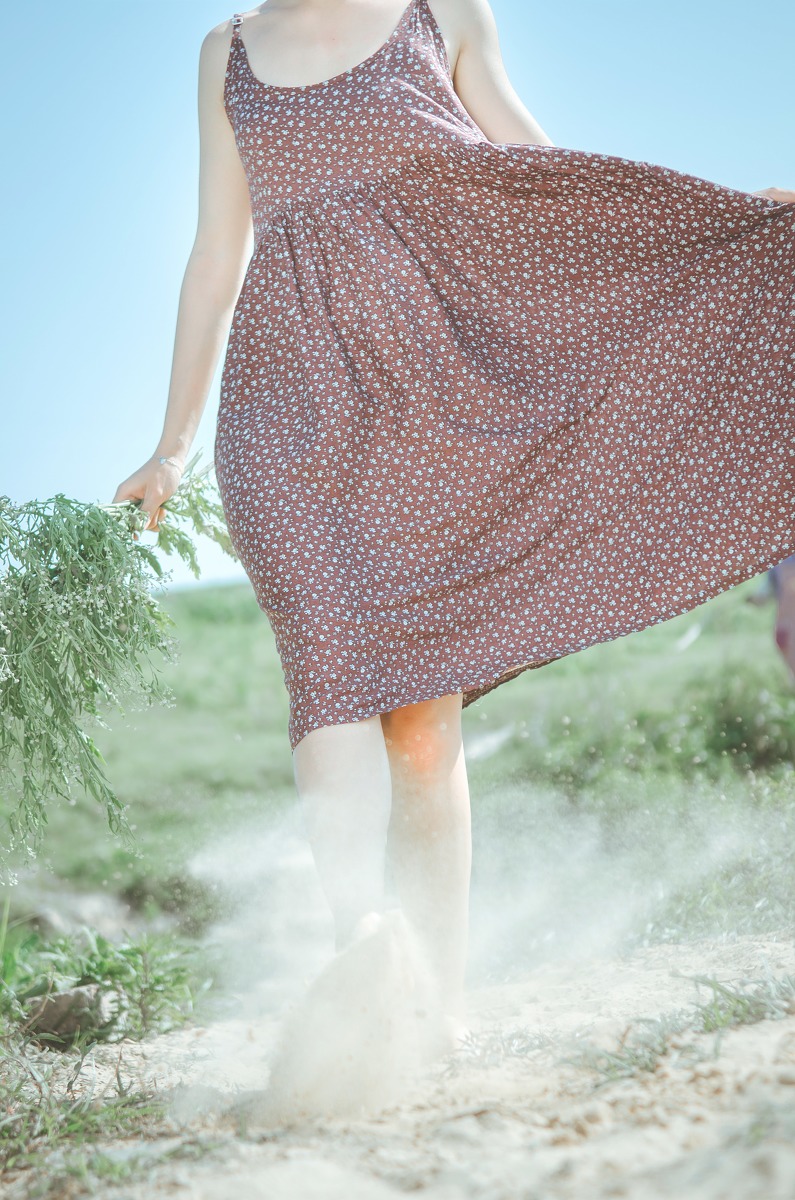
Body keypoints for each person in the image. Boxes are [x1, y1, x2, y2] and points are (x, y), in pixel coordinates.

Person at [113, 0, 795, 1038]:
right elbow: (217, 256)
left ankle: (439, 1002)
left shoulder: (441, 14)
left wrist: (707, 224)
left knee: (422, 729)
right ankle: (366, 966)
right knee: (331, 669)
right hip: (288, 409)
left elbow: (545, 174)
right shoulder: (226, 54)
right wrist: (171, 445)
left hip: (441, 398)